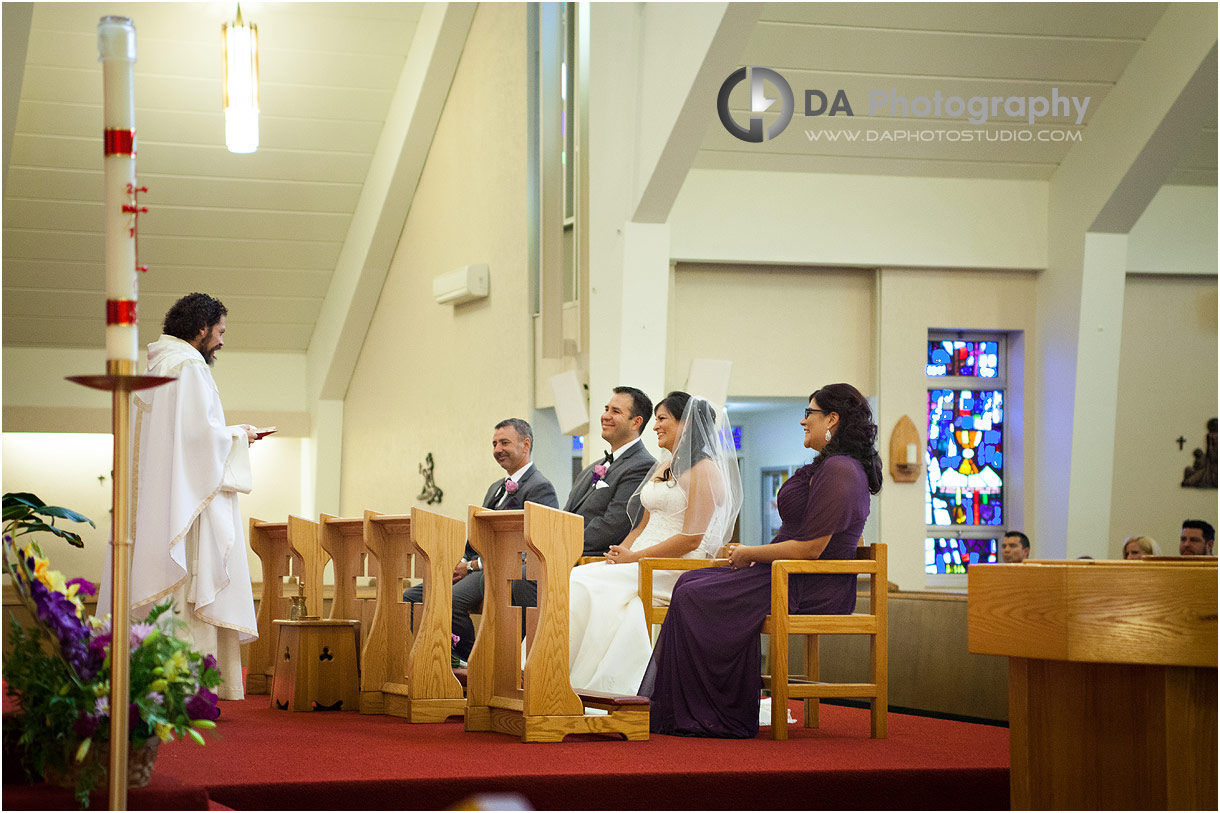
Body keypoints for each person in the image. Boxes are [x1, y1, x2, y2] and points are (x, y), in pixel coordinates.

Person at [640, 383, 882, 738]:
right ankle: (692, 704)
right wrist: (752, 557)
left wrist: (750, 553)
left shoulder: (842, 470)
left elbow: (812, 548)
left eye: (809, 413)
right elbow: (839, 533)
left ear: (832, 419)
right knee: (691, 583)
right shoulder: (829, 466)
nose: (803, 421)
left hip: (807, 581)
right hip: (786, 572)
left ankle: (714, 708)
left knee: (696, 593)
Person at [98, 293, 261, 700]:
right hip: (184, 509)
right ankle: (186, 691)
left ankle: (152, 688)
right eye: (220, 332)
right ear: (201, 328)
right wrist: (240, 436)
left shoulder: (155, 367)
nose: (222, 341)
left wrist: (229, 435)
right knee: (188, 586)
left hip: (161, 504)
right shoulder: (188, 366)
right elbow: (196, 441)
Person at [567, 392, 742, 694]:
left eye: (662, 419)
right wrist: (621, 551)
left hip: (674, 567)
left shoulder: (705, 471)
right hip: (642, 560)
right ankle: (556, 672)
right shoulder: (664, 467)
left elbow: (692, 538)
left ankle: (589, 682)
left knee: (584, 582)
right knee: (575, 577)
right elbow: (643, 525)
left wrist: (635, 558)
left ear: (685, 424)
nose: (655, 426)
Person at [403, 418, 558, 662]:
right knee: (413, 596)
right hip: (475, 567)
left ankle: (472, 661)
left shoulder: (541, 488)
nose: (497, 450)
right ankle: (436, 658)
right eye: (494, 443)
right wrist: (461, 560)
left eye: (504, 442)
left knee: (448, 601)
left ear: (525, 444)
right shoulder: (496, 487)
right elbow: (479, 533)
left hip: (503, 569)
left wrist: (473, 566)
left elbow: (531, 544)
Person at [563, 387, 657, 557]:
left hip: (593, 558)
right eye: (606, 409)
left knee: (523, 580)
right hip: (566, 551)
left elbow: (613, 526)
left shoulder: (643, 466)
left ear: (636, 422)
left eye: (615, 411)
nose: (605, 416)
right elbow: (567, 514)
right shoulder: (592, 468)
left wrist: (561, 545)